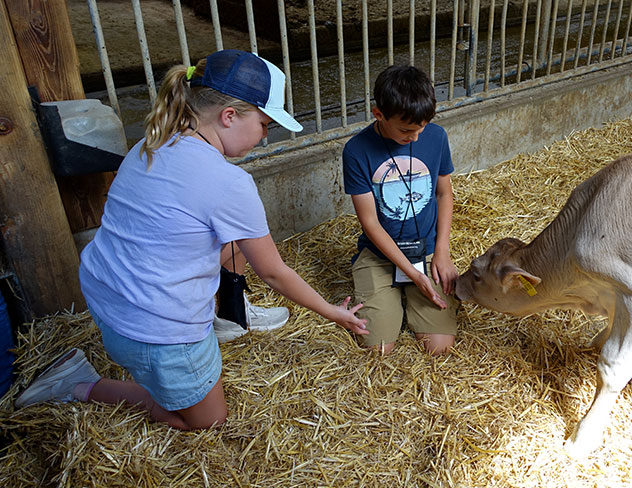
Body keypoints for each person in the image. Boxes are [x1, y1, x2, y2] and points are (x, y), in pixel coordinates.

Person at [14, 49, 368, 430]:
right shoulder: (230, 183)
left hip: (105, 295)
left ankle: (231, 313)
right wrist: (331, 312)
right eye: (265, 123)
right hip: (155, 327)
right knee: (207, 421)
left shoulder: (151, 143)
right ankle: (81, 384)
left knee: (232, 239)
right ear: (229, 116)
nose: (266, 135)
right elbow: (275, 272)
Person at [342, 65, 459, 355]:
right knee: (379, 349)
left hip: (427, 252)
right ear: (378, 114)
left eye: (421, 128)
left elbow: (444, 193)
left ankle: (404, 300)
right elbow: (370, 223)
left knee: (439, 348)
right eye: (407, 130)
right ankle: (390, 299)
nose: (416, 137)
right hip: (380, 257)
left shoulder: (436, 137)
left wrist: (441, 251)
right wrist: (413, 276)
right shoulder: (357, 151)